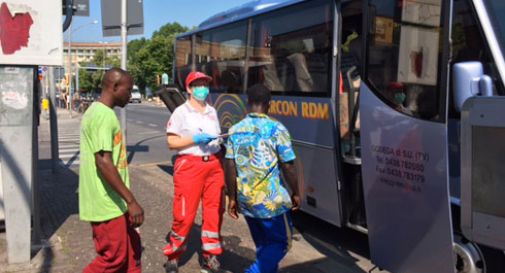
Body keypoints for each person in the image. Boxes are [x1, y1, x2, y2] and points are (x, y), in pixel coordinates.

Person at [225, 84, 301, 273]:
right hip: (270, 202)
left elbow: (230, 166)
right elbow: (288, 165)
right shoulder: (276, 128)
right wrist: (296, 191)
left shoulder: (235, 130)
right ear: (269, 104)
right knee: (282, 243)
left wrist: (232, 198)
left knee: (263, 245)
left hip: (247, 200)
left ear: (248, 103)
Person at [79, 68, 144, 273]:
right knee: (113, 258)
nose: (130, 95)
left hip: (115, 201)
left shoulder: (101, 113)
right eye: (128, 89)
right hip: (105, 202)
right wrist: (131, 201)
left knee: (132, 250)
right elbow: (104, 162)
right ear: (115, 87)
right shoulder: (102, 116)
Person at [164, 71, 225, 273]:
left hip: (214, 165)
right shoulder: (181, 112)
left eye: (205, 84)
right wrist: (195, 140)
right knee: (184, 214)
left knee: (214, 212)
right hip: (189, 166)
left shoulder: (212, 111)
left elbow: (216, 138)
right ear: (189, 89)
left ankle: (210, 256)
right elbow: (172, 142)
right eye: (198, 85)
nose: (203, 88)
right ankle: (173, 255)